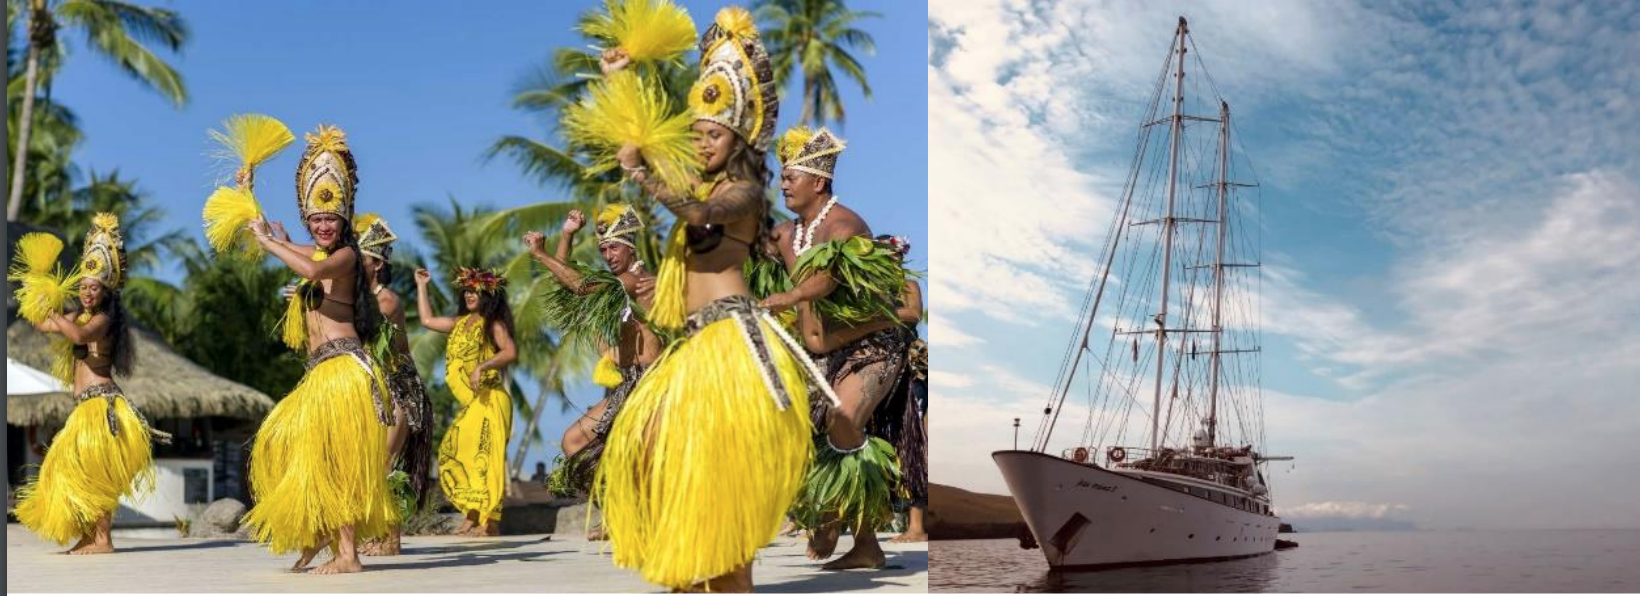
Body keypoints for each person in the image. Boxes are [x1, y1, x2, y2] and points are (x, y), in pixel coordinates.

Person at [602, 7, 835, 591]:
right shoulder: (697, 182)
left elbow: (700, 215)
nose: (703, 141)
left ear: (739, 139)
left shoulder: (746, 192)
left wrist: (646, 178)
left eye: (715, 133)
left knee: (722, 496)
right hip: (692, 346)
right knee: (651, 457)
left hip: (731, 348)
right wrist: (621, 81)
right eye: (698, 133)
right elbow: (646, 144)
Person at [240, 125, 397, 574]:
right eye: (317, 220)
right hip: (319, 374)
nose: (324, 225)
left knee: (336, 461)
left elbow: (309, 268)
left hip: (344, 371)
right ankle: (318, 536)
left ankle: (348, 555)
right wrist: (249, 194)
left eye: (331, 219)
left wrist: (272, 241)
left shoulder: (345, 257)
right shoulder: (317, 249)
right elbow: (278, 240)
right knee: (286, 448)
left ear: (344, 221)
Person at [763, 126, 912, 570]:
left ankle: (862, 541)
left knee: (844, 419)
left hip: (872, 345)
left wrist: (788, 298)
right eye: (782, 175)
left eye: (791, 176)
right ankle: (825, 513)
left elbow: (827, 278)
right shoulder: (784, 235)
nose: (783, 183)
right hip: (819, 353)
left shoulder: (844, 224)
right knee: (777, 427)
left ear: (818, 182)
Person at [12, 215, 160, 555]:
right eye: (83, 286)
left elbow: (77, 336)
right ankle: (89, 537)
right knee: (65, 470)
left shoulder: (101, 321)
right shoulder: (78, 316)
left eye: (94, 287)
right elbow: (40, 324)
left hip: (101, 405)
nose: (87, 292)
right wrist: (41, 288)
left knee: (96, 473)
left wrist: (58, 315)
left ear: (105, 291)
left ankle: (103, 540)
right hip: (84, 407)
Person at [525, 205, 660, 539]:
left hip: (652, 385)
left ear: (631, 247)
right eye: (602, 248)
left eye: (614, 247)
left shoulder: (635, 281)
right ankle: (619, 511)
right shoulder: (615, 285)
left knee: (638, 459)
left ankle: (638, 516)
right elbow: (567, 284)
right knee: (575, 440)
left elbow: (580, 286)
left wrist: (540, 254)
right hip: (629, 384)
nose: (607, 254)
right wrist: (567, 236)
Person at [351, 214, 433, 557]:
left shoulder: (387, 300)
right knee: (367, 463)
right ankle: (373, 532)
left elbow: (359, 327)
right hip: (370, 389)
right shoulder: (356, 296)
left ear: (376, 263)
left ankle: (391, 537)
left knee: (384, 462)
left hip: (399, 389)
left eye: (361, 256)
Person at [416, 266, 517, 537]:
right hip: (473, 403)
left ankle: (489, 521)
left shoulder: (492, 323)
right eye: (467, 290)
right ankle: (473, 514)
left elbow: (509, 351)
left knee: (487, 459)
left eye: (476, 290)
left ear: (488, 294)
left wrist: (483, 366)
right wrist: (423, 286)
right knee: (457, 453)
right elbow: (426, 320)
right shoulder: (459, 323)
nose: (470, 294)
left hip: (491, 399)